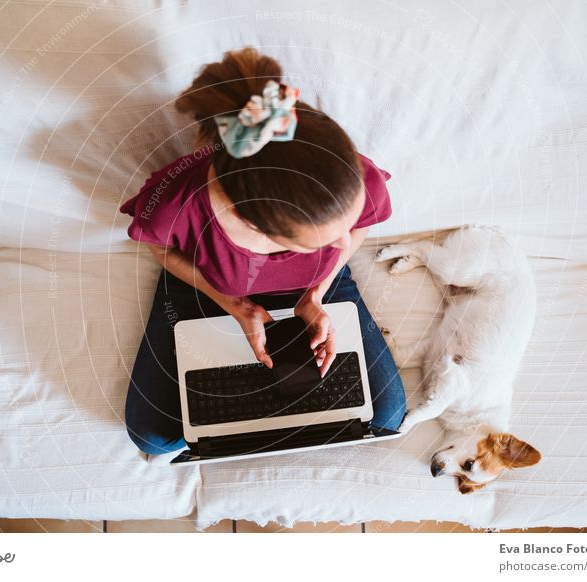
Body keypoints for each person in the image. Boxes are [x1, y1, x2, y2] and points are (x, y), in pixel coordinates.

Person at [120, 47, 405, 455]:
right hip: (209, 282)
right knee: (154, 435)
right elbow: (155, 245)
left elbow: (353, 233)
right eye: (322, 240)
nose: (345, 244)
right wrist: (233, 304)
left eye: (346, 225)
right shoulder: (176, 204)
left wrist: (316, 294)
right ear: (255, 226)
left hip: (316, 284)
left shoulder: (350, 179)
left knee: (385, 415)